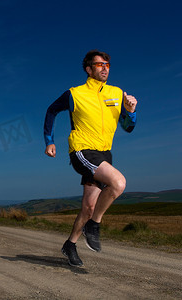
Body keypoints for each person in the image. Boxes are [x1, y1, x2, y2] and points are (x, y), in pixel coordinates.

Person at [43, 50, 137, 267]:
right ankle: (94, 226)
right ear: (88, 69)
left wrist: (131, 111)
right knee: (118, 183)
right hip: (82, 151)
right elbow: (51, 110)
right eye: (99, 64)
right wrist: (49, 141)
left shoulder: (116, 93)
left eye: (107, 65)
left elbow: (128, 127)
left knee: (88, 207)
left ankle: (70, 244)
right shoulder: (74, 94)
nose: (105, 68)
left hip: (104, 154)